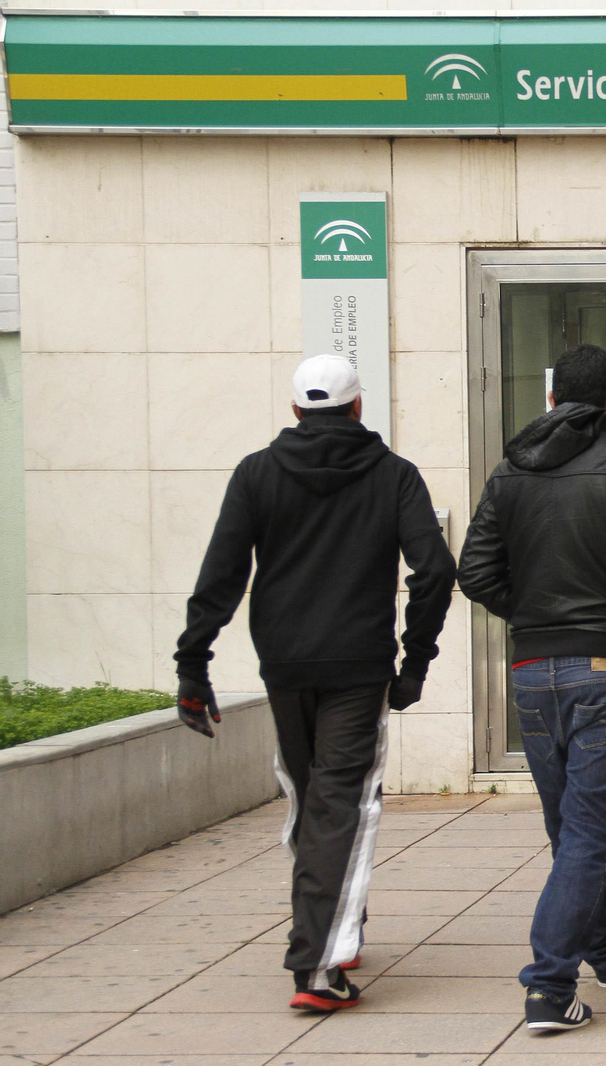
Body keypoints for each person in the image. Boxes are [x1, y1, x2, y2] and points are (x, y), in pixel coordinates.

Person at [172, 354, 455, 1013]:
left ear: (296, 411)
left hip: (286, 665)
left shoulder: (257, 474)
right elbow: (434, 571)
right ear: (358, 408)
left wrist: (193, 666)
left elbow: (221, 575)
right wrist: (415, 662)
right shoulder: (393, 476)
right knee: (341, 805)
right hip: (357, 666)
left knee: (312, 799)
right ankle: (320, 965)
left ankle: (334, 927)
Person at [458, 343, 606, 1033]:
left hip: (533, 670)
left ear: (553, 398)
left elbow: (474, 572)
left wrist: (532, 618)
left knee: (570, 831)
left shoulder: (510, 474)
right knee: (586, 835)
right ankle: (549, 985)